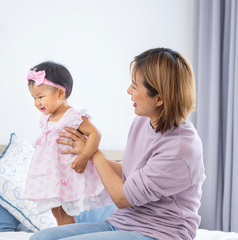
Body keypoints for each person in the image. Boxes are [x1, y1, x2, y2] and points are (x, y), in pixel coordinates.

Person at [30, 48, 206, 240]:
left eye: (135, 86)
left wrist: (93, 154)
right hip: (122, 224)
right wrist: (86, 153)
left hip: (160, 233)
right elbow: (129, 174)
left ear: (160, 98)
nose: (128, 91)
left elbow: (122, 198)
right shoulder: (143, 121)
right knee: (40, 239)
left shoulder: (181, 148)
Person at [23, 61, 112, 226]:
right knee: (54, 209)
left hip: (66, 173)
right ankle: (61, 232)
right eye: (34, 98)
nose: (37, 102)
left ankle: (67, 233)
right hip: (50, 174)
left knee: (64, 210)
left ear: (59, 93)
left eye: (41, 97)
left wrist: (85, 156)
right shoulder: (46, 118)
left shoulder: (72, 116)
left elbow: (95, 134)